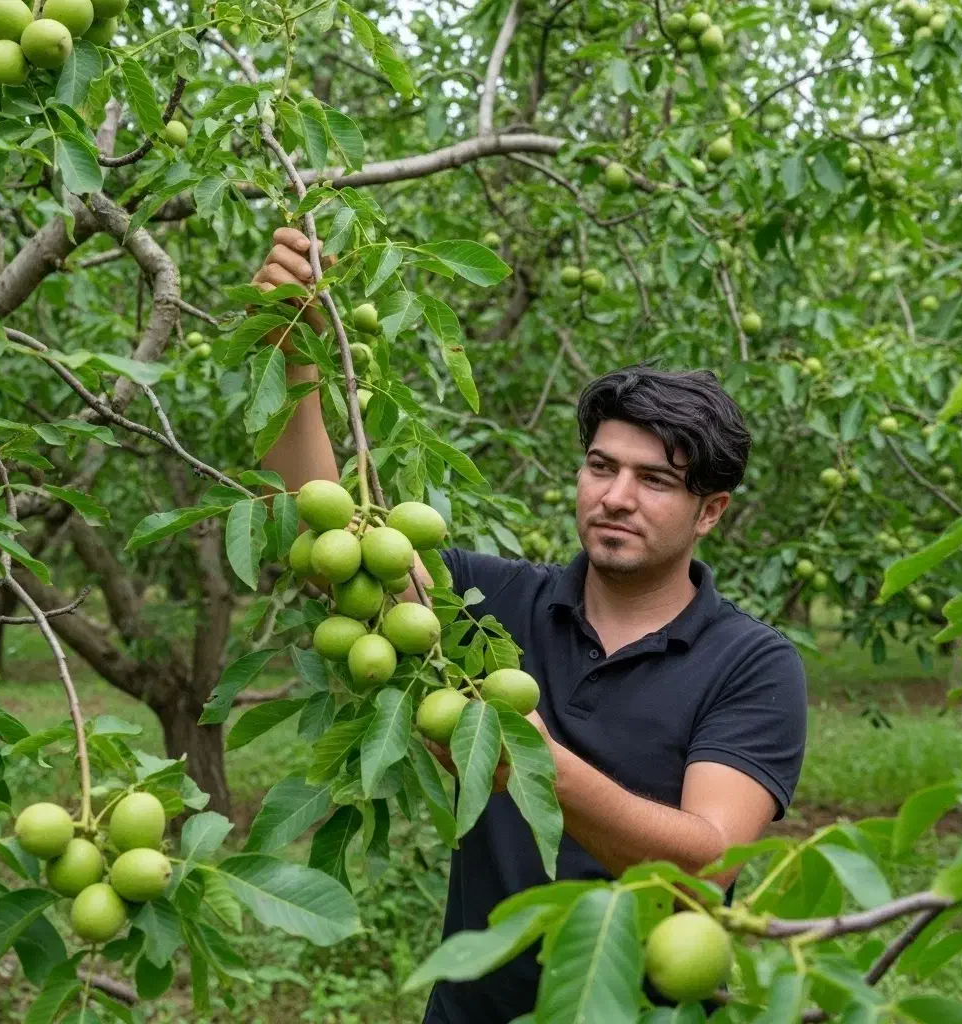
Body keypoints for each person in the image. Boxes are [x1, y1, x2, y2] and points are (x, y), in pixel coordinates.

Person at [253, 228, 808, 1024]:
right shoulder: (488, 601)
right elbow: (331, 549)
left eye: (654, 480)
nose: (615, 497)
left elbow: (709, 863)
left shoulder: (753, 663)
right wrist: (292, 353)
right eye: (601, 466)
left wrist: (535, 765)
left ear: (710, 511)